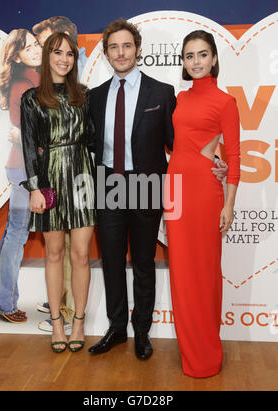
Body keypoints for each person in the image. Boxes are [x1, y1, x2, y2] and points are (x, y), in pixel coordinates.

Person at [87, 19, 227, 360]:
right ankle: (117, 328)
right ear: (106, 54)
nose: (121, 53)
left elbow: (179, 144)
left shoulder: (162, 93)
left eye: (127, 46)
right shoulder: (94, 96)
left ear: (138, 50)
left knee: (145, 261)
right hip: (109, 184)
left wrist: (217, 160)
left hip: (147, 184)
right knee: (112, 261)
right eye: (114, 47)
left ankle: (142, 332)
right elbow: (88, 144)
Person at [165, 30, 240, 377]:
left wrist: (229, 204)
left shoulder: (225, 102)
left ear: (213, 59)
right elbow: (177, 143)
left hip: (206, 192)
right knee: (181, 273)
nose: (196, 61)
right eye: (189, 55)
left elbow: (235, 157)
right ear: (183, 61)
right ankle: (189, 351)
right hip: (175, 188)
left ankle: (208, 352)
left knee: (206, 271)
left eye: (202, 54)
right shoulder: (179, 99)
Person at [20, 32, 96, 353]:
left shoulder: (86, 96)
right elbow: (27, 146)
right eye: (58, 52)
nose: (64, 59)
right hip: (49, 176)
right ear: (47, 56)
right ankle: (56, 324)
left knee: (81, 254)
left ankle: (78, 321)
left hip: (82, 177)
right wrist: (34, 187)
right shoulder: (31, 98)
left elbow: (94, 139)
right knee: (54, 254)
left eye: (70, 54)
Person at [0, 29, 41, 323]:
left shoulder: (35, 78)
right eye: (26, 47)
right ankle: (5, 302)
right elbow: (31, 135)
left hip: (27, 166)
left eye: (35, 44)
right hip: (24, 169)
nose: (34, 49)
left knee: (15, 233)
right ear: (16, 55)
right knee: (17, 234)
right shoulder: (24, 84)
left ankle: (2, 298)